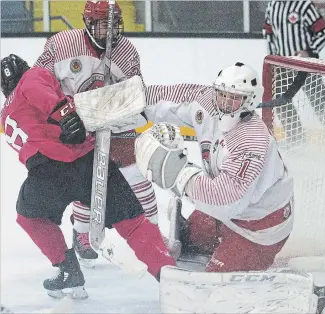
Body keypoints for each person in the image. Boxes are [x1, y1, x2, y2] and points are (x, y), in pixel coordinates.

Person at [0, 54, 175, 298]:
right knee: (132, 221)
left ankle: (68, 269)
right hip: (84, 161)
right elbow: (41, 92)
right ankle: (168, 273)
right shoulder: (31, 78)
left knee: (29, 216)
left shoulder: (5, 113)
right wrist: (68, 116)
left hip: (46, 176)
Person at [135, 62, 294, 272]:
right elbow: (168, 96)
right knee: (190, 238)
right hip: (229, 215)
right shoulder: (207, 102)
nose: (225, 104)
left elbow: (229, 200)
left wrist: (182, 176)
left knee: (213, 285)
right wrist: (129, 103)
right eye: (222, 95)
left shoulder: (251, 141)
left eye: (235, 99)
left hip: (259, 228)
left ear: (249, 101)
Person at [33, 0, 158, 266]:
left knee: (138, 178)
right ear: (88, 23)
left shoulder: (126, 52)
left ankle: (154, 235)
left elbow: (137, 95)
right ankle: (81, 234)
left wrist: (117, 106)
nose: (110, 31)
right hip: (73, 126)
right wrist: (61, 115)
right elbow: (37, 81)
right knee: (89, 182)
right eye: (103, 24)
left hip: (114, 124)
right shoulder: (63, 44)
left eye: (114, 24)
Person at [263, 0, 325, 149]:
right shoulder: (272, 5)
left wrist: (309, 51)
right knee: (281, 102)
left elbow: (323, 31)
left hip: (306, 65)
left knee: (320, 102)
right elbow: (268, 32)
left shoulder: (304, 5)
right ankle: (297, 141)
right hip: (283, 65)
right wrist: (273, 57)